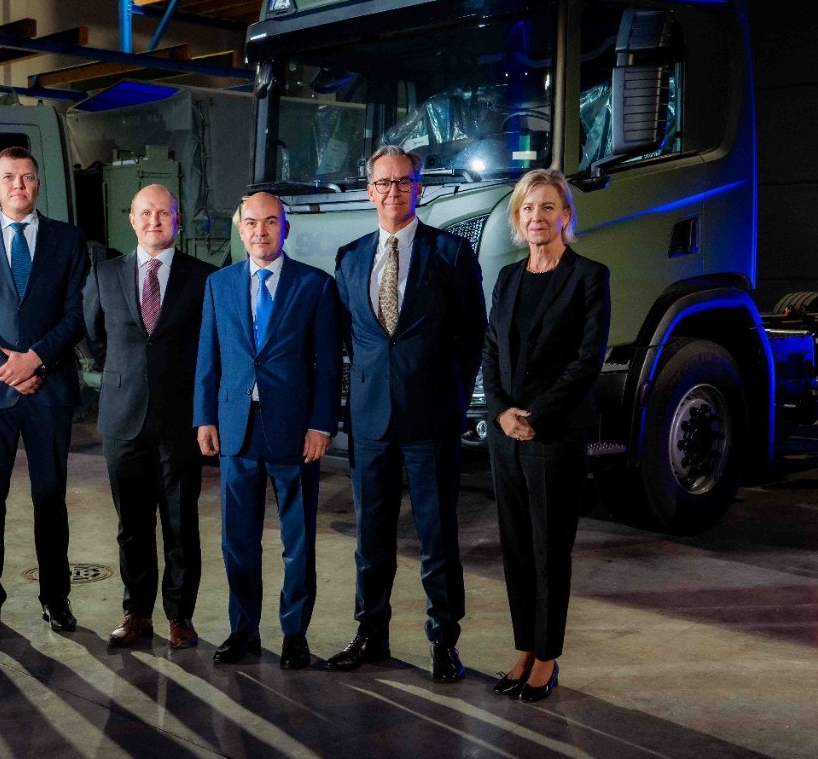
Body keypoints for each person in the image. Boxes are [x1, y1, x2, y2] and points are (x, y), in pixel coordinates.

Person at [329, 146, 486, 681]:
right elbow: (349, 338)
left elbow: (471, 336)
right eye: (383, 183)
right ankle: (370, 634)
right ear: (368, 191)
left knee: (437, 537)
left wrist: (451, 399)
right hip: (370, 421)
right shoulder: (350, 257)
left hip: (430, 421)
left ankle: (443, 641)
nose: (392, 192)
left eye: (403, 182)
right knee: (371, 539)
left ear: (418, 189)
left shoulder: (451, 253)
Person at [194, 192, 341, 670]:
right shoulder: (218, 285)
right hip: (236, 429)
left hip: (295, 432)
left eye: (271, 222)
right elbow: (208, 358)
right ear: (241, 231)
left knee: (297, 539)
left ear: (285, 229)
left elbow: (327, 365)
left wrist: (321, 424)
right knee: (238, 540)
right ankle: (243, 630)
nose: (261, 231)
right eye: (252, 223)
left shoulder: (315, 286)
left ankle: (294, 633)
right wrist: (204, 417)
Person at [0, 146, 89, 638]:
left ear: (38, 184)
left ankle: (56, 598)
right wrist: (5, 365)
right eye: (9, 177)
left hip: (49, 388)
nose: (18, 186)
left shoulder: (68, 240)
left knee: (50, 497)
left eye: (27, 177)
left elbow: (78, 313)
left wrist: (36, 359)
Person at [483, 169, 610, 703]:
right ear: (519, 217)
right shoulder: (508, 277)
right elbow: (491, 349)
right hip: (507, 434)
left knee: (550, 548)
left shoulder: (589, 276)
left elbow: (587, 359)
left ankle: (547, 657)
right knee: (516, 546)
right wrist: (500, 413)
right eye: (528, 208)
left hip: (554, 433)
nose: (537, 217)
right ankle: (524, 649)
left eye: (548, 207)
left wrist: (535, 415)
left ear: (566, 216)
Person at [83, 184, 216, 650]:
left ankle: (180, 617)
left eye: (163, 212)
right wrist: (124, 376)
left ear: (177, 219)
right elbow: (93, 335)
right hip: (122, 419)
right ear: (132, 219)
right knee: (132, 526)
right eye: (145, 212)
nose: (154, 220)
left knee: (181, 524)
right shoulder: (105, 274)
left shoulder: (204, 277)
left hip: (180, 421)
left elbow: (210, 346)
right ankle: (136, 613)